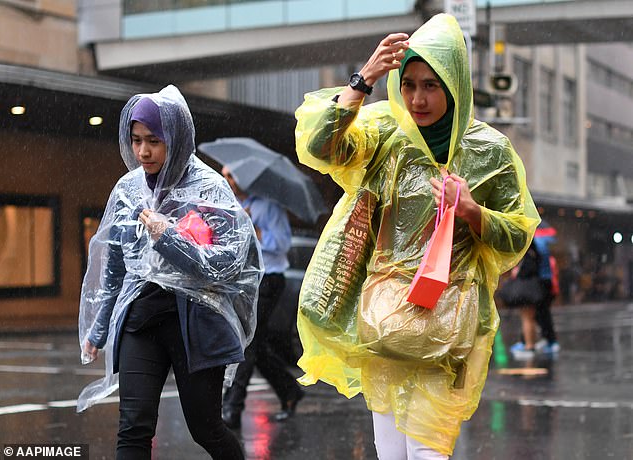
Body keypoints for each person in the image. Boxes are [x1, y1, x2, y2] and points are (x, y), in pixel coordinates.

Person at [294, 13, 539, 459]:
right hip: (386, 321)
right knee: (391, 454)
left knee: (428, 453)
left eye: (432, 85)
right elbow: (321, 147)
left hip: (450, 326)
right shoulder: (385, 133)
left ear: (454, 85)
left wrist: (471, 212)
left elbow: (517, 234)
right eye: (409, 85)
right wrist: (364, 78)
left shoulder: (490, 151)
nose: (418, 98)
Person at [77, 85, 263, 460]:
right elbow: (116, 262)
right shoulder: (129, 190)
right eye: (136, 140)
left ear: (176, 139)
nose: (143, 152)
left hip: (196, 323)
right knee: (133, 426)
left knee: (205, 427)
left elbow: (226, 265)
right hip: (141, 322)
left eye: (154, 141)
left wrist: (168, 237)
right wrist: (99, 329)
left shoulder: (209, 189)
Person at [220, 165, 305, 429]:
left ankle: (232, 407)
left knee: (248, 341)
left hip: (269, 279)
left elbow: (282, 243)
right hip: (245, 280)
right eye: (224, 176)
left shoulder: (268, 207)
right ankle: (289, 391)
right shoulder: (233, 204)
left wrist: (255, 230)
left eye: (231, 175)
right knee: (257, 345)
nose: (228, 181)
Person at [510, 225, 561, 356]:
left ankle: (534, 343)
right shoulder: (543, 247)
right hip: (544, 283)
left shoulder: (534, 246)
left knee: (533, 315)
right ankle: (541, 341)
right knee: (537, 314)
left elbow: (530, 267)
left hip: (537, 284)